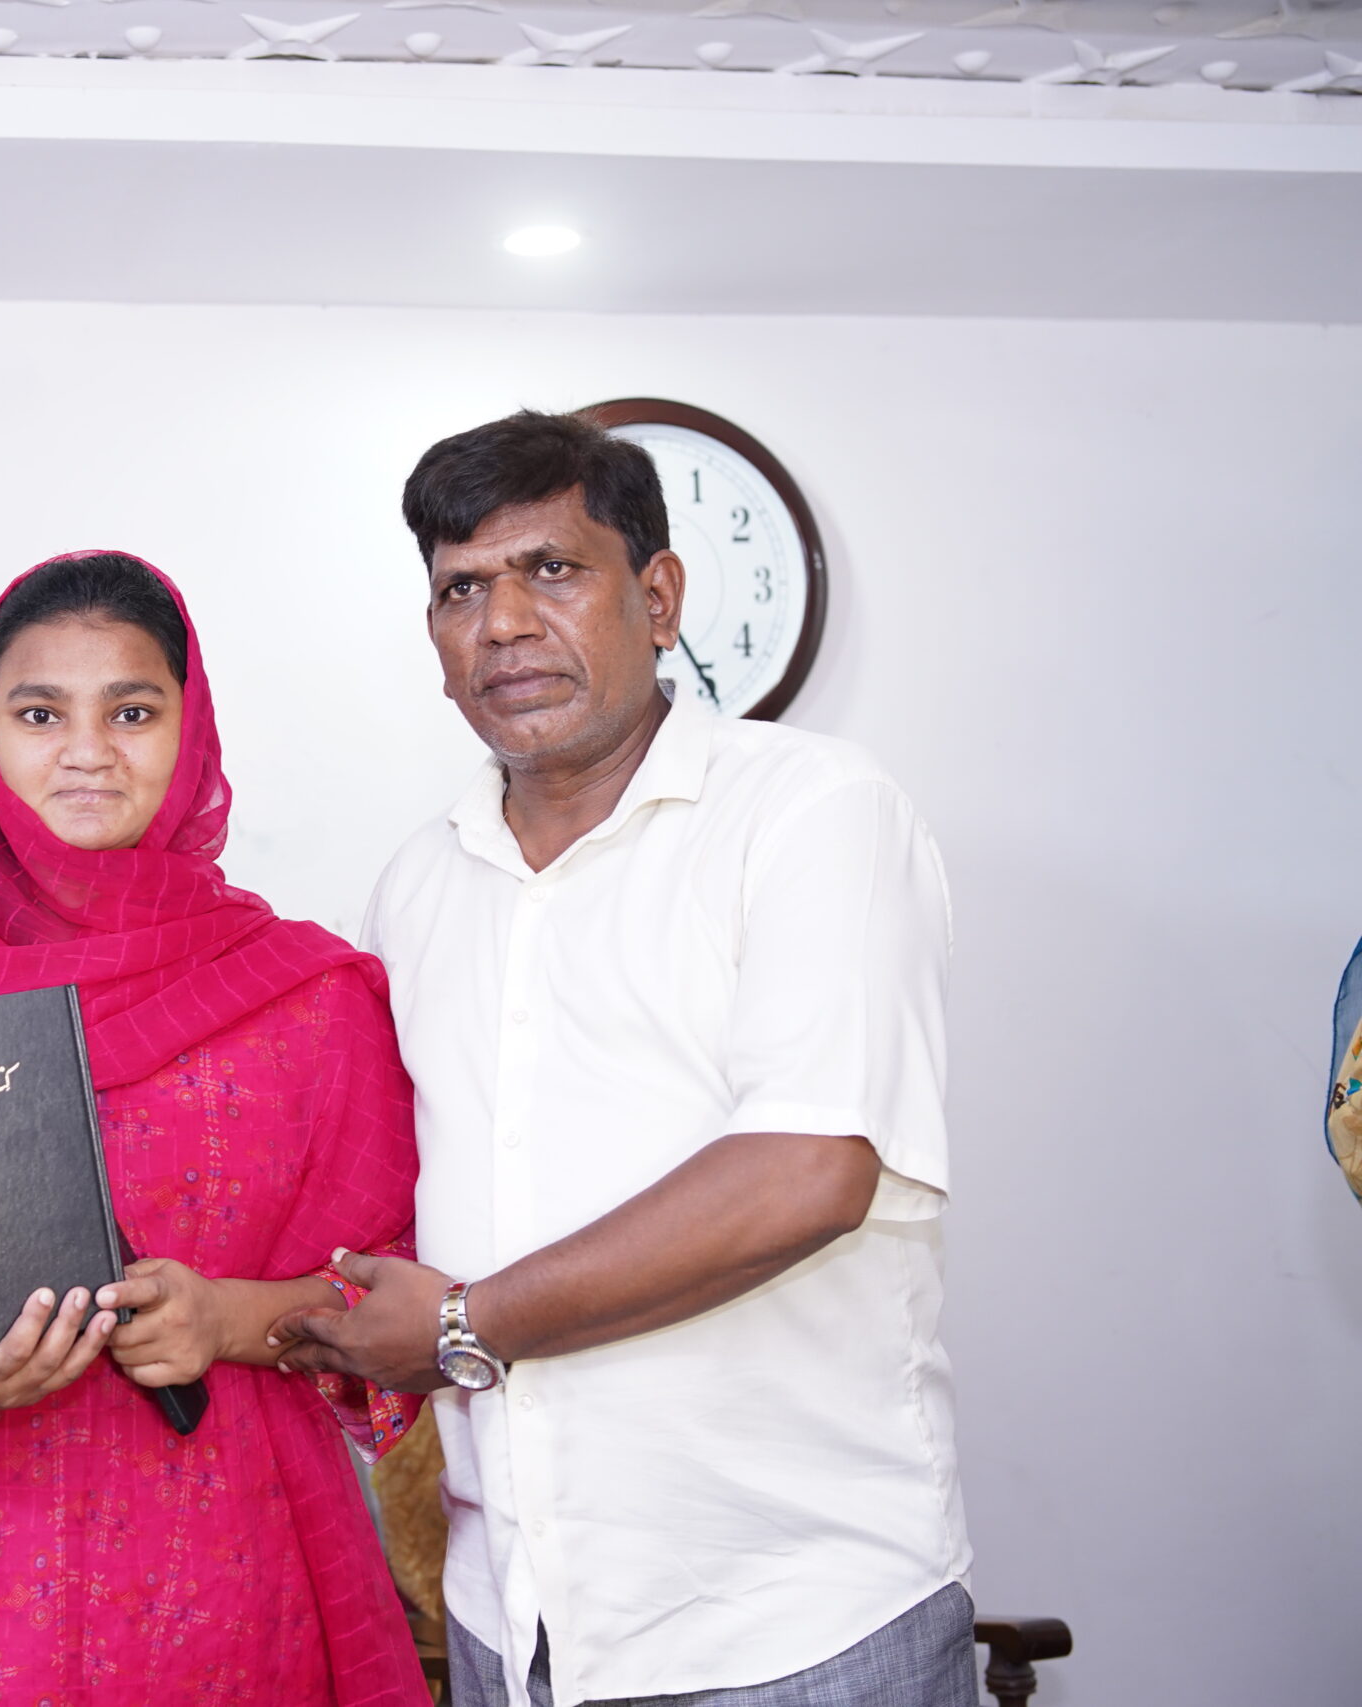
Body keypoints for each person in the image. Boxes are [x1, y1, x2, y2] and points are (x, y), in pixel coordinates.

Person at [275, 411, 972, 1707]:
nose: (503, 622)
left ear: (658, 598)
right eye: (461, 589)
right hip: (514, 1619)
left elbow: (807, 1171)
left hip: (791, 1624)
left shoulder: (810, 813)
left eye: (551, 569)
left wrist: (460, 1327)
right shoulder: (418, 884)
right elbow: (372, 1200)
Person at [0, 552, 428, 1707]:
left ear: (191, 728)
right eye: (40, 713)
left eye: (132, 711)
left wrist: (224, 1317)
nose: (87, 750)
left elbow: (388, 1301)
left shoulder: (312, 994)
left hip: (226, 1565)